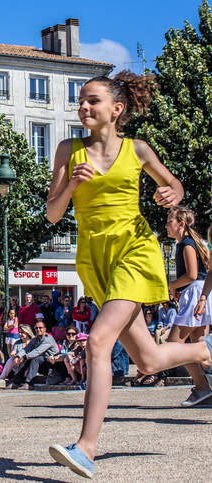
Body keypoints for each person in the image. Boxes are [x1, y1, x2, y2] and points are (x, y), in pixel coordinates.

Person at [46, 71, 212, 479]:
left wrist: (171, 193)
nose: (84, 107)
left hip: (134, 250)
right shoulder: (69, 149)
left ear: (116, 110)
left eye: (93, 101)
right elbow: (52, 214)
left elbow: (173, 183)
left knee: (98, 341)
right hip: (94, 257)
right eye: (81, 101)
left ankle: (86, 448)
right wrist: (70, 188)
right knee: (149, 359)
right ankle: (204, 351)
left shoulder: (137, 149)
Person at [165, 206, 212, 406]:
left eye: (170, 221)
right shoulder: (193, 242)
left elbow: (192, 275)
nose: (166, 225)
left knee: (174, 345)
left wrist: (170, 286)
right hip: (200, 292)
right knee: (200, 344)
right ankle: (204, 388)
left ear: (181, 224)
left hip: (195, 292)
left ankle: (202, 388)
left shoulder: (186, 244)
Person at [6, 320, 58, 390]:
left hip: (53, 365)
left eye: (40, 328)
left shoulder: (48, 339)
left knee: (35, 358)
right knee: (26, 358)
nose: (38, 329)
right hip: (43, 363)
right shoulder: (35, 339)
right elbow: (26, 349)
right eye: (36, 328)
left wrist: (24, 357)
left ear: (45, 329)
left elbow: (37, 351)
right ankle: (15, 382)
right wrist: (18, 356)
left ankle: (28, 383)